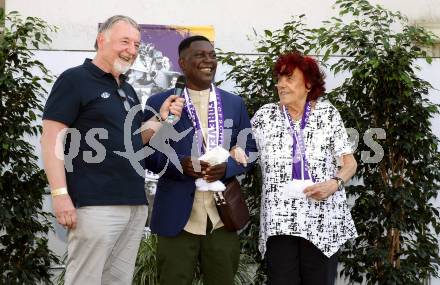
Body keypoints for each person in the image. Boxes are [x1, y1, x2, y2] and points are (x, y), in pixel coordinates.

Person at [40, 15, 183, 285]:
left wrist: (161, 119)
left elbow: (133, 142)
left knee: (118, 281)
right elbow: (50, 138)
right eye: (125, 41)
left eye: (137, 44)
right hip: (94, 204)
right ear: (101, 40)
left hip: (133, 205)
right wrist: (60, 195)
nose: (131, 50)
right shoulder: (74, 80)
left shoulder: (127, 89)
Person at [144, 35, 257, 285]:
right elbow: (147, 154)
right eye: (200, 55)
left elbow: (250, 150)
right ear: (182, 63)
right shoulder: (160, 102)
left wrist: (226, 168)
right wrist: (180, 164)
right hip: (176, 217)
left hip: (222, 217)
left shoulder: (233, 103)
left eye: (212, 55)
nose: (208, 60)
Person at [247, 51, 358, 285]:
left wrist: (333, 184)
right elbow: (245, 152)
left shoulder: (327, 115)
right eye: (279, 79)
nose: (281, 85)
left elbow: (349, 164)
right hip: (280, 219)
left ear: (308, 83)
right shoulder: (265, 116)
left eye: (289, 78)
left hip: (321, 218)